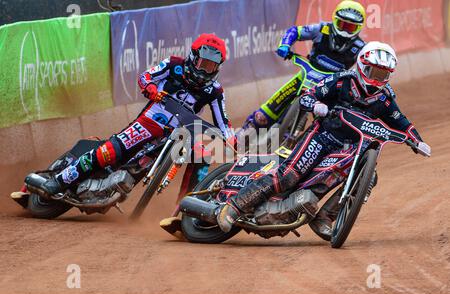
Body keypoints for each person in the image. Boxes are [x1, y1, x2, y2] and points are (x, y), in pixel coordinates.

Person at [216, 41, 432, 241]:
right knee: (289, 176)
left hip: (350, 148)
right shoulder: (341, 81)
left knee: (369, 177)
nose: (377, 79)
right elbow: (309, 95)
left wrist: (417, 141)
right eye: (374, 72)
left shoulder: (385, 99)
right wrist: (316, 105)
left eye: (383, 74)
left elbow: (402, 123)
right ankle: (234, 206)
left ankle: (325, 217)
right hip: (322, 137)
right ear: (361, 65)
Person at [35, 34, 234, 200]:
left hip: (180, 134)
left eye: (210, 67)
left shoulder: (215, 91)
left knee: (203, 154)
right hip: (151, 121)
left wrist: (233, 144)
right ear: (192, 57)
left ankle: (189, 207)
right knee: (109, 152)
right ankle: (59, 181)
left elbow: (223, 123)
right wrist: (152, 90)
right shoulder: (174, 65)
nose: (203, 70)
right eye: (201, 64)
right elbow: (145, 77)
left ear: (218, 68)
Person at [242, 0, 367, 131]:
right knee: (261, 117)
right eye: (342, 24)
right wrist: (285, 44)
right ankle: (241, 135)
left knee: (330, 126)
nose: (345, 30)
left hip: (331, 87)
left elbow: (366, 68)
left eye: (350, 27)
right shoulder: (321, 29)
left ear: (359, 27)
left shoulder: (361, 47)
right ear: (335, 20)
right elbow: (295, 31)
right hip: (306, 76)